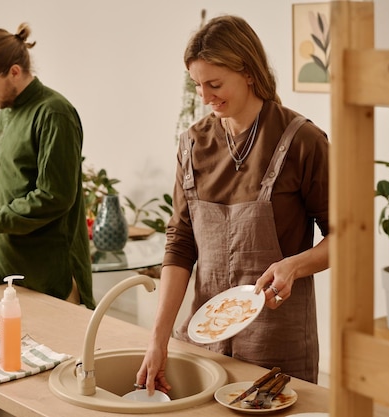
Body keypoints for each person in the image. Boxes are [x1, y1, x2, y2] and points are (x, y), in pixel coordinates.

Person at [136, 14, 330, 394]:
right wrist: (157, 339)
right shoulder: (192, 143)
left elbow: (348, 237)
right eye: (197, 86)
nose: (205, 98)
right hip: (201, 343)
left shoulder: (304, 141)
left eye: (215, 84)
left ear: (248, 71)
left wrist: (294, 265)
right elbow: (180, 243)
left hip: (277, 347)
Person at [0, 23, 95, 309]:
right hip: (5, 265)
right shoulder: (6, 110)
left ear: (14, 72)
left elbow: (54, 197)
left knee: (56, 353)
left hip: (48, 273)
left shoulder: (54, 113)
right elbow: (10, 187)